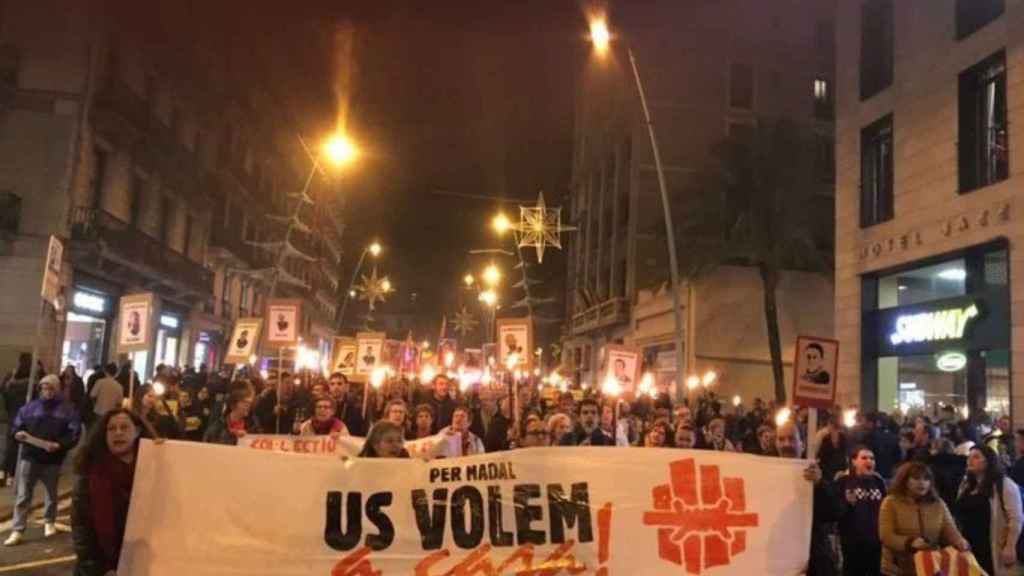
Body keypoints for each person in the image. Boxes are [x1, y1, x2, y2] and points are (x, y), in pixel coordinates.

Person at [4, 375, 81, 546]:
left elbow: (74, 432)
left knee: (51, 493)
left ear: (57, 389)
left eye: (51, 388)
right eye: (44, 388)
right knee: (23, 495)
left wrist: (61, 445)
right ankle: (18, 529)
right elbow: (17, 425)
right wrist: (17, 434)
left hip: (52, 458)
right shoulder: (29, 408)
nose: (47, 391)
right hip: (30, 456)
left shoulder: (67, 410)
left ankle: (49, 521)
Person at [71, 409, 142, 576]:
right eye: (111, 428)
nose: (118, 432)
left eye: (124, 427)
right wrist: (100, 570)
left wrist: (164, 452)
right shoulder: (90, 473)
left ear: (137, 431)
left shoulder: (151, 469)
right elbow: (82, 530)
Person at [879, 462, 969, 576]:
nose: (922, 483)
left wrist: (960, 542)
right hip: (897, 568)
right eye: (916, 478)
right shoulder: (890, 502)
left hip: (930, 566)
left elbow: (950, 530)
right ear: (904, 480)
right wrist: (910, 543)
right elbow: (886, 535)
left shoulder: (938, 504)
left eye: (926, 479)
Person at [776, 422, 840, 576]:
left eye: (791, 439)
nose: (786, 444)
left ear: (802, 444)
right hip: (779, 559)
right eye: (781, 439)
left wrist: (819, 484)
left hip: (815, 561)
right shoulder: (767, 476)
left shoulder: (816, 473)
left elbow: (835, 512)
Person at [954, 445, 1022, 576]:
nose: (970, 460)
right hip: (969, 545)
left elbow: (1016, 518)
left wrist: (1010, 546)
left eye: (976, 457)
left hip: (993, 544)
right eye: (969, 457)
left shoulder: (1004, 484)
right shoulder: (966, 485)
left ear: (989, 461)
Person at [834, 446, 886, 576]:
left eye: (872, 458)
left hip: (876, 542)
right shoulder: (843, 481)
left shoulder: (878, 481)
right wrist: (846, 503)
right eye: (864, 458)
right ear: (854, 461)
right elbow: (834, 511)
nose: (869, 461)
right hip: (852, 543)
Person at [1, 353, 32, 486]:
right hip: (25, 418)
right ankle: (12, 476)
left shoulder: (10, 379)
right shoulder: (31, 382)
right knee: (21, 448)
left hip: (13, 415)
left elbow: (3, 392)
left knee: (9, 448)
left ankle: (2, 474)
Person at [470, 387, 510, 452]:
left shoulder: (502, 417)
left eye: (487, 400)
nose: (483, 403)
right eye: (482, 400)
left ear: (495, 400)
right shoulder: (474, 416)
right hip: (478, 454)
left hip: (497, 454)